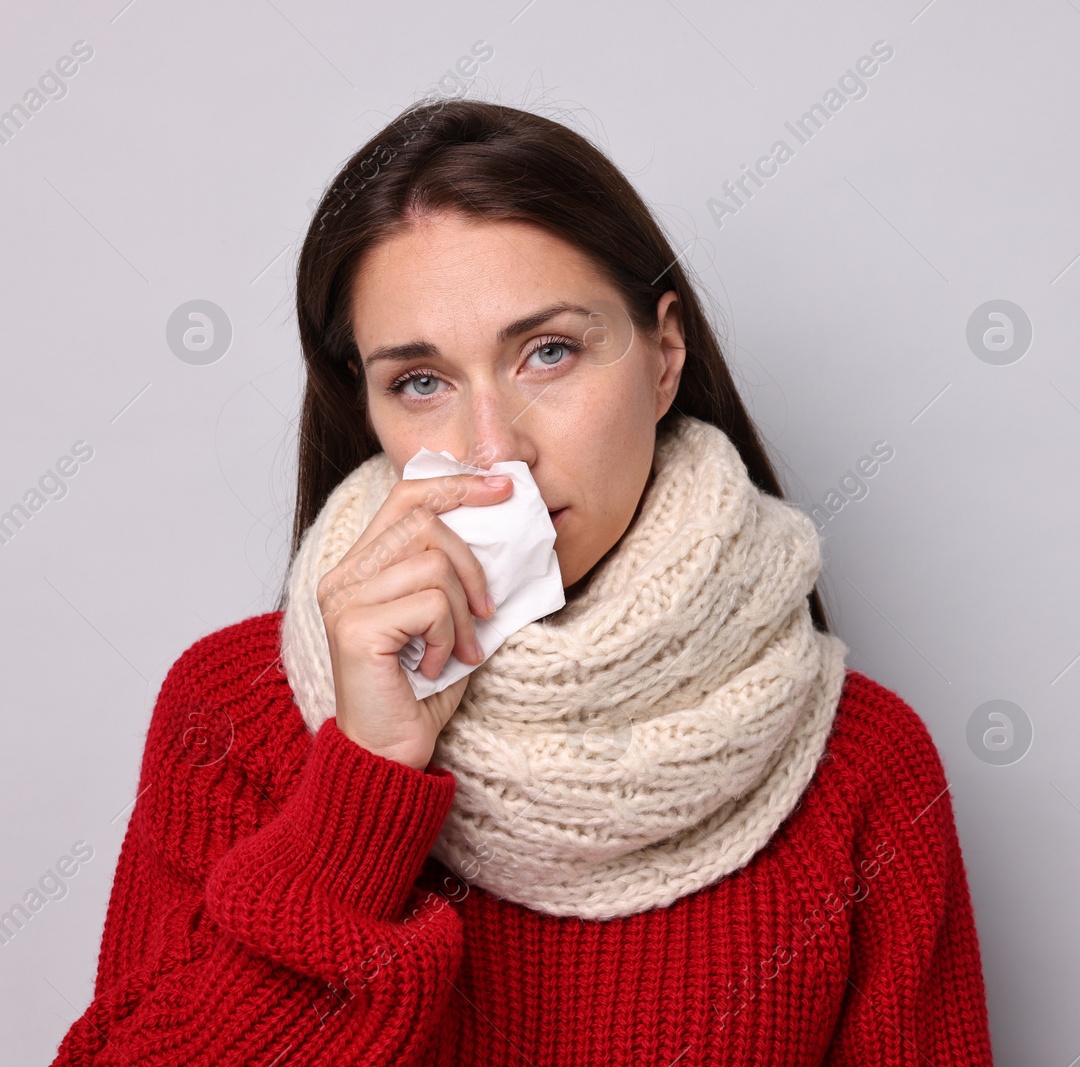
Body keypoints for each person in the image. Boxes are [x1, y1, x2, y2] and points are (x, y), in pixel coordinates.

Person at [50, 98, 994, 1065]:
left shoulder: (866, 769)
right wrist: (364, 778)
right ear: (366, 404)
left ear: (662, 359)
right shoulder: (231, 717)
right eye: (421, 381)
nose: (495, 450)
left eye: (549, 352)